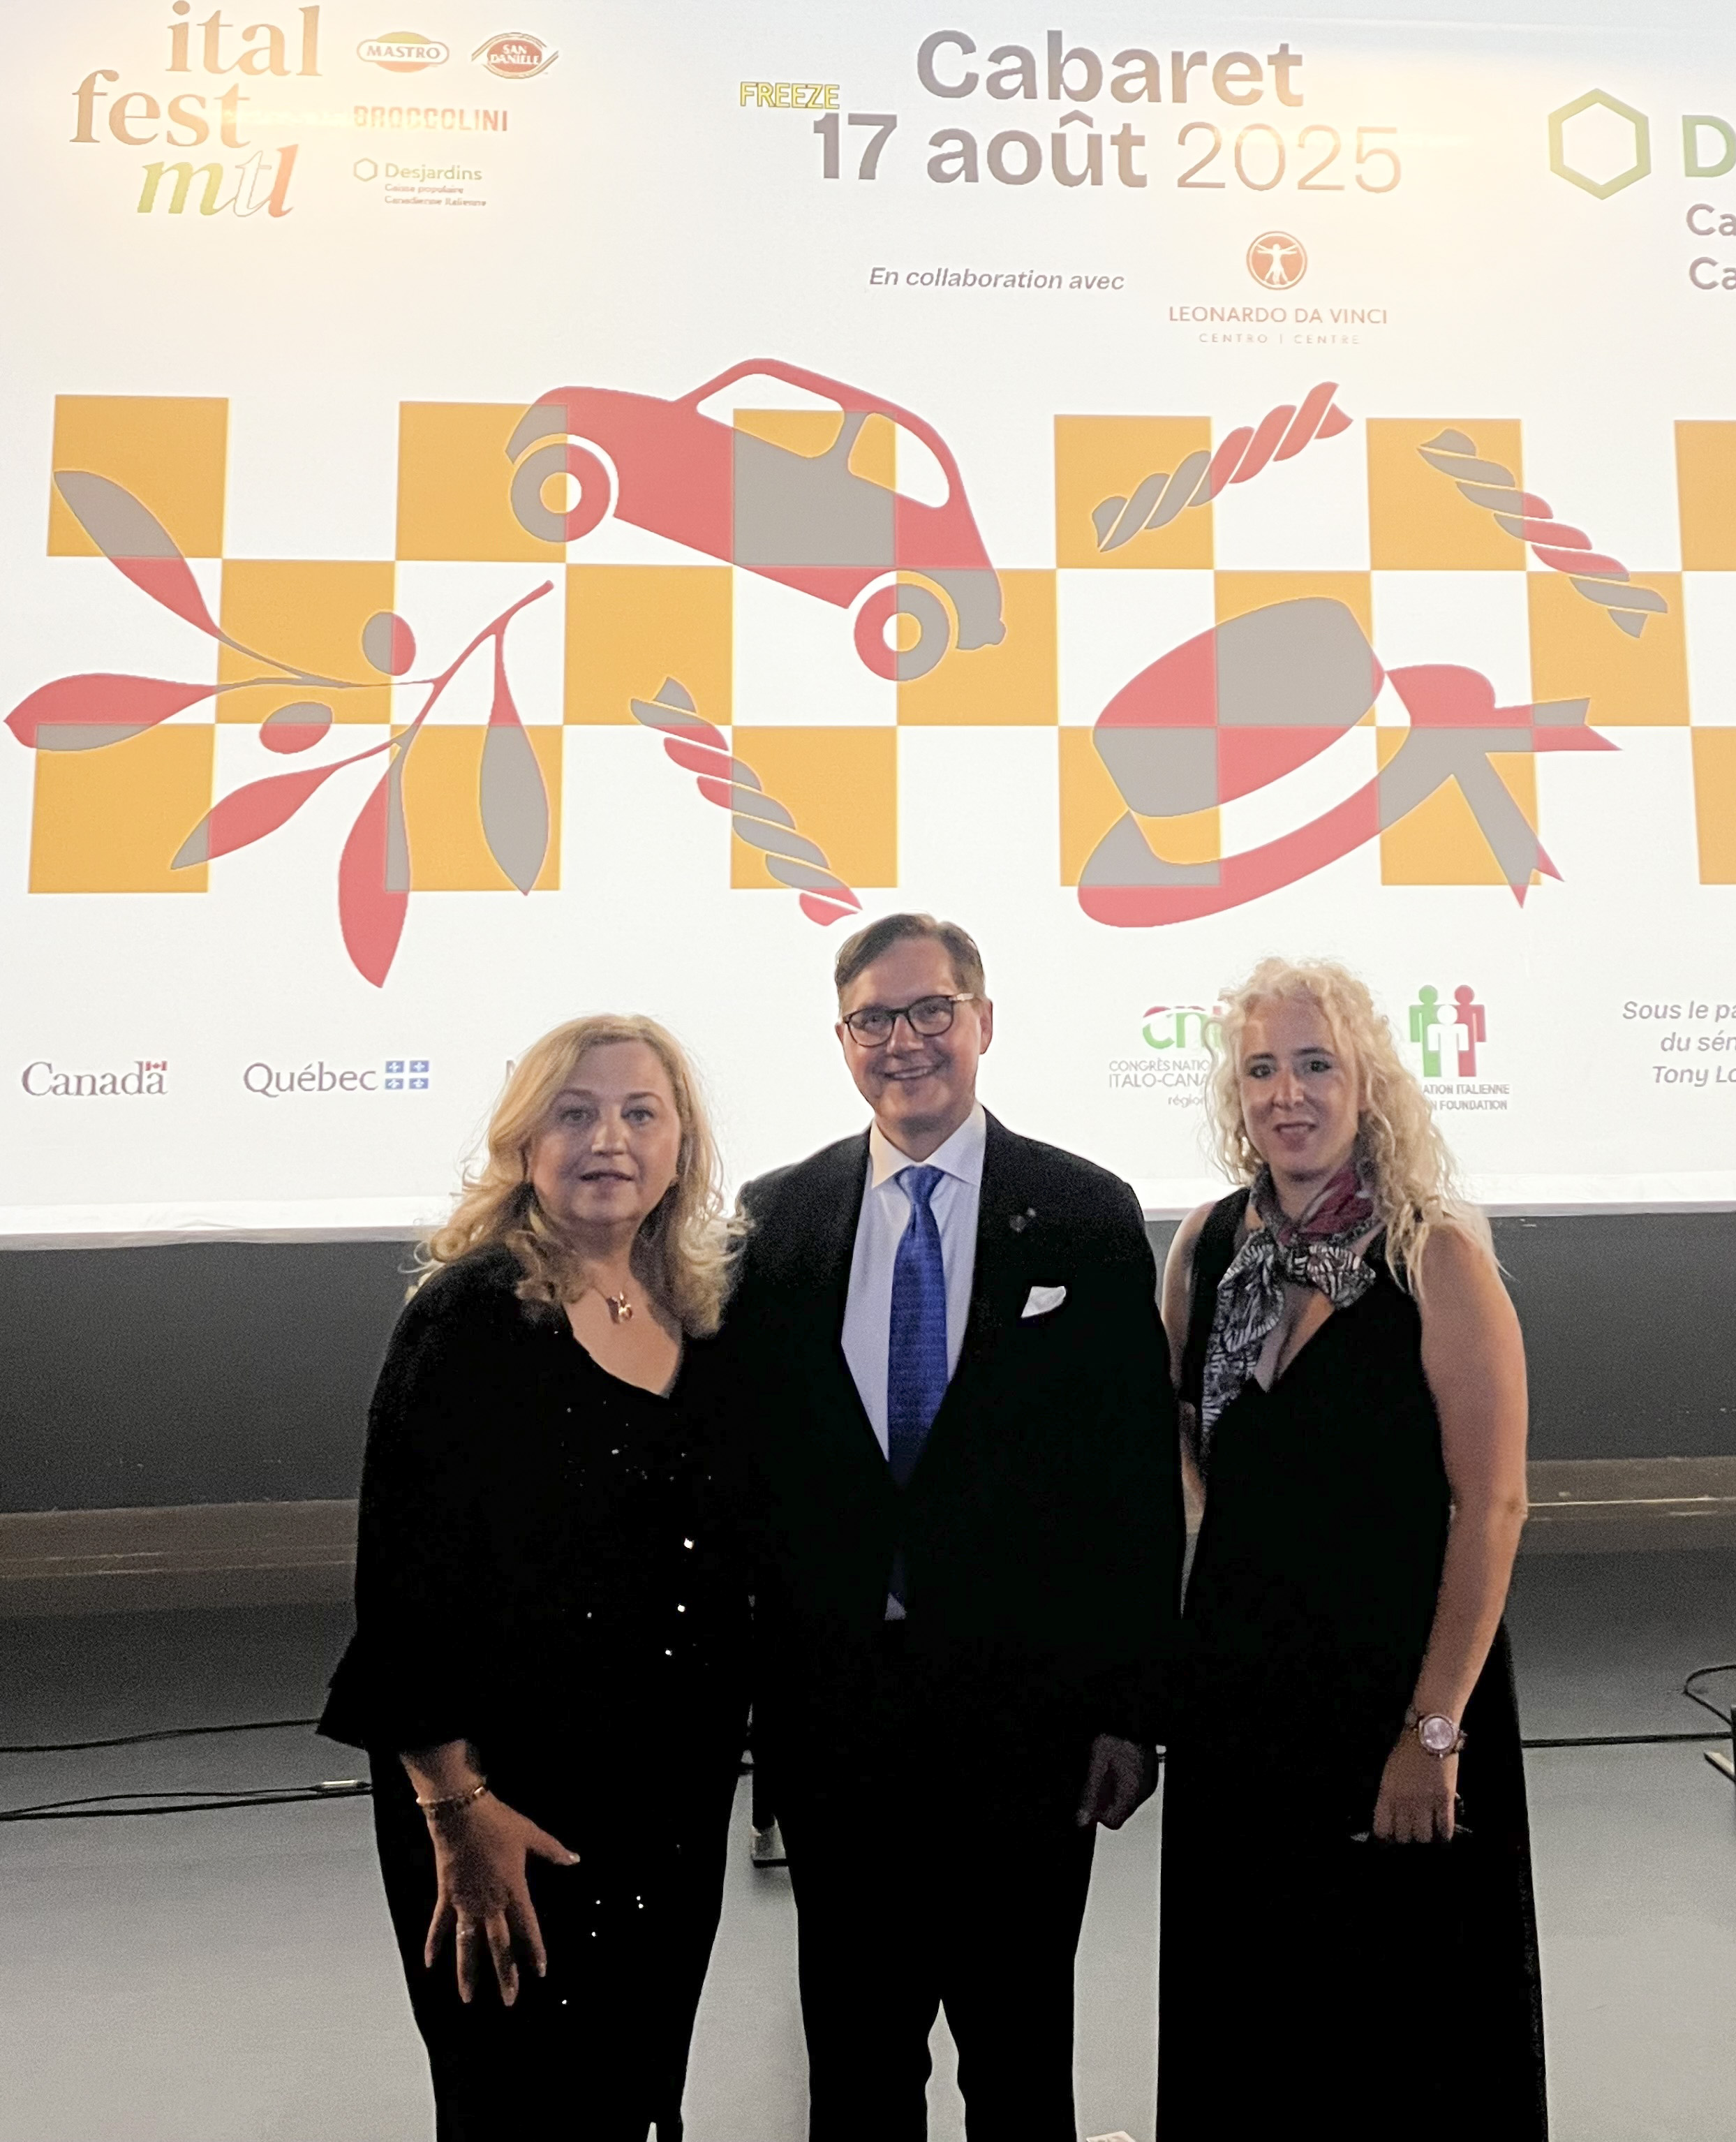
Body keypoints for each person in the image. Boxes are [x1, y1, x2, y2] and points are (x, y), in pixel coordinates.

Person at [724, 912, 1185, 2141]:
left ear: (984, 1021)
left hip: (1028, 1729)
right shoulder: (775, 1220)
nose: (906, 1041)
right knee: (857, 2074)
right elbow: (753, 1482)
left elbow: (1135, 1483)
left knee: (1020, 2071)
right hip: (839, 1728)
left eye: (932, 1010)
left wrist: (1131, 1711)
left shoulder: (1084, 1213)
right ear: (842, 1041)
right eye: (874, 1019)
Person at [319, 1016, 750, 2142]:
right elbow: (401, 1600)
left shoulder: (703, 1315)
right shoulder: (466, 1320)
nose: (610, 1140)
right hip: (506, 1804)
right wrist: (457, 1816)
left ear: (681, 1144)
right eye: (576, 1113)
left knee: (636, 2089)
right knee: (514, 2101)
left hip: (667, 1800)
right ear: (525, 1143)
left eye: (640, 1113)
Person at [1156, 957, 1547, 2140]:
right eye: (1262, 1069)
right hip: (1241, 1699)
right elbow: (1193, 1451)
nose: (1289, 1094)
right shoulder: (1206, 1247)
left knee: (1405, 2032)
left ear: (1367, 1084)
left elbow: (1494, 1507)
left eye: (1316, 1065)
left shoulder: (1436, 1258)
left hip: (1397, 1697)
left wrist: (1434, 1731)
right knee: (1255, 2024)